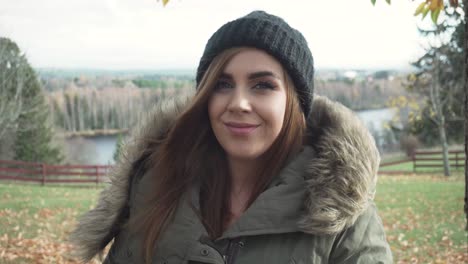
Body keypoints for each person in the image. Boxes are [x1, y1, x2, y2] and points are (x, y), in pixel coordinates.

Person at [70, 10, 393, 264]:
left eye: (263, 85)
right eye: (222, 85)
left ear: (294, 103)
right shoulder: (155, 182)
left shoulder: (341, 215)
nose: (238, 103)